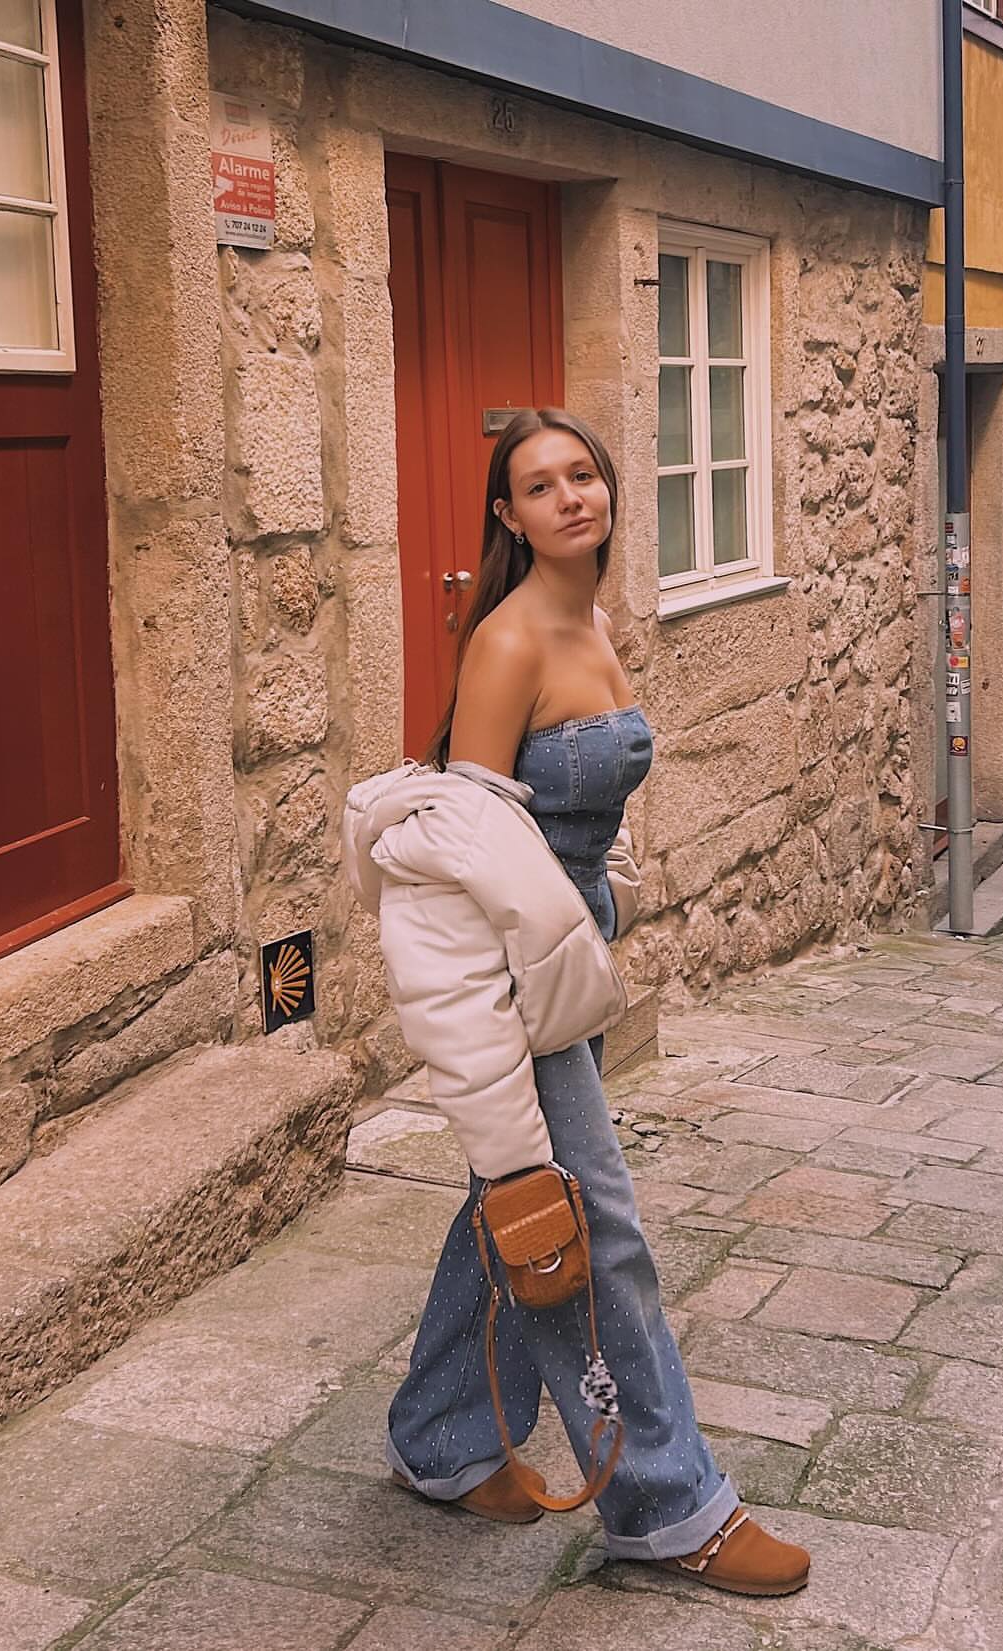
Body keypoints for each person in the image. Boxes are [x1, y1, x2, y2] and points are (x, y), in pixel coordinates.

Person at [343, 408, 810, 1597]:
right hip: (519, 970)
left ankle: (442, 1437)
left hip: (574, 948)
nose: (569, 496)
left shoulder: (593, 616)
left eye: (582, 474)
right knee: (591, 1225)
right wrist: (491, 1010)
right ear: (507, 515)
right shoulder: (507, 642)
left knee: (511, 1198)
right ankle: (667, 1505)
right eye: (540, 485)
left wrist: (605, 907)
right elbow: (464, 846)